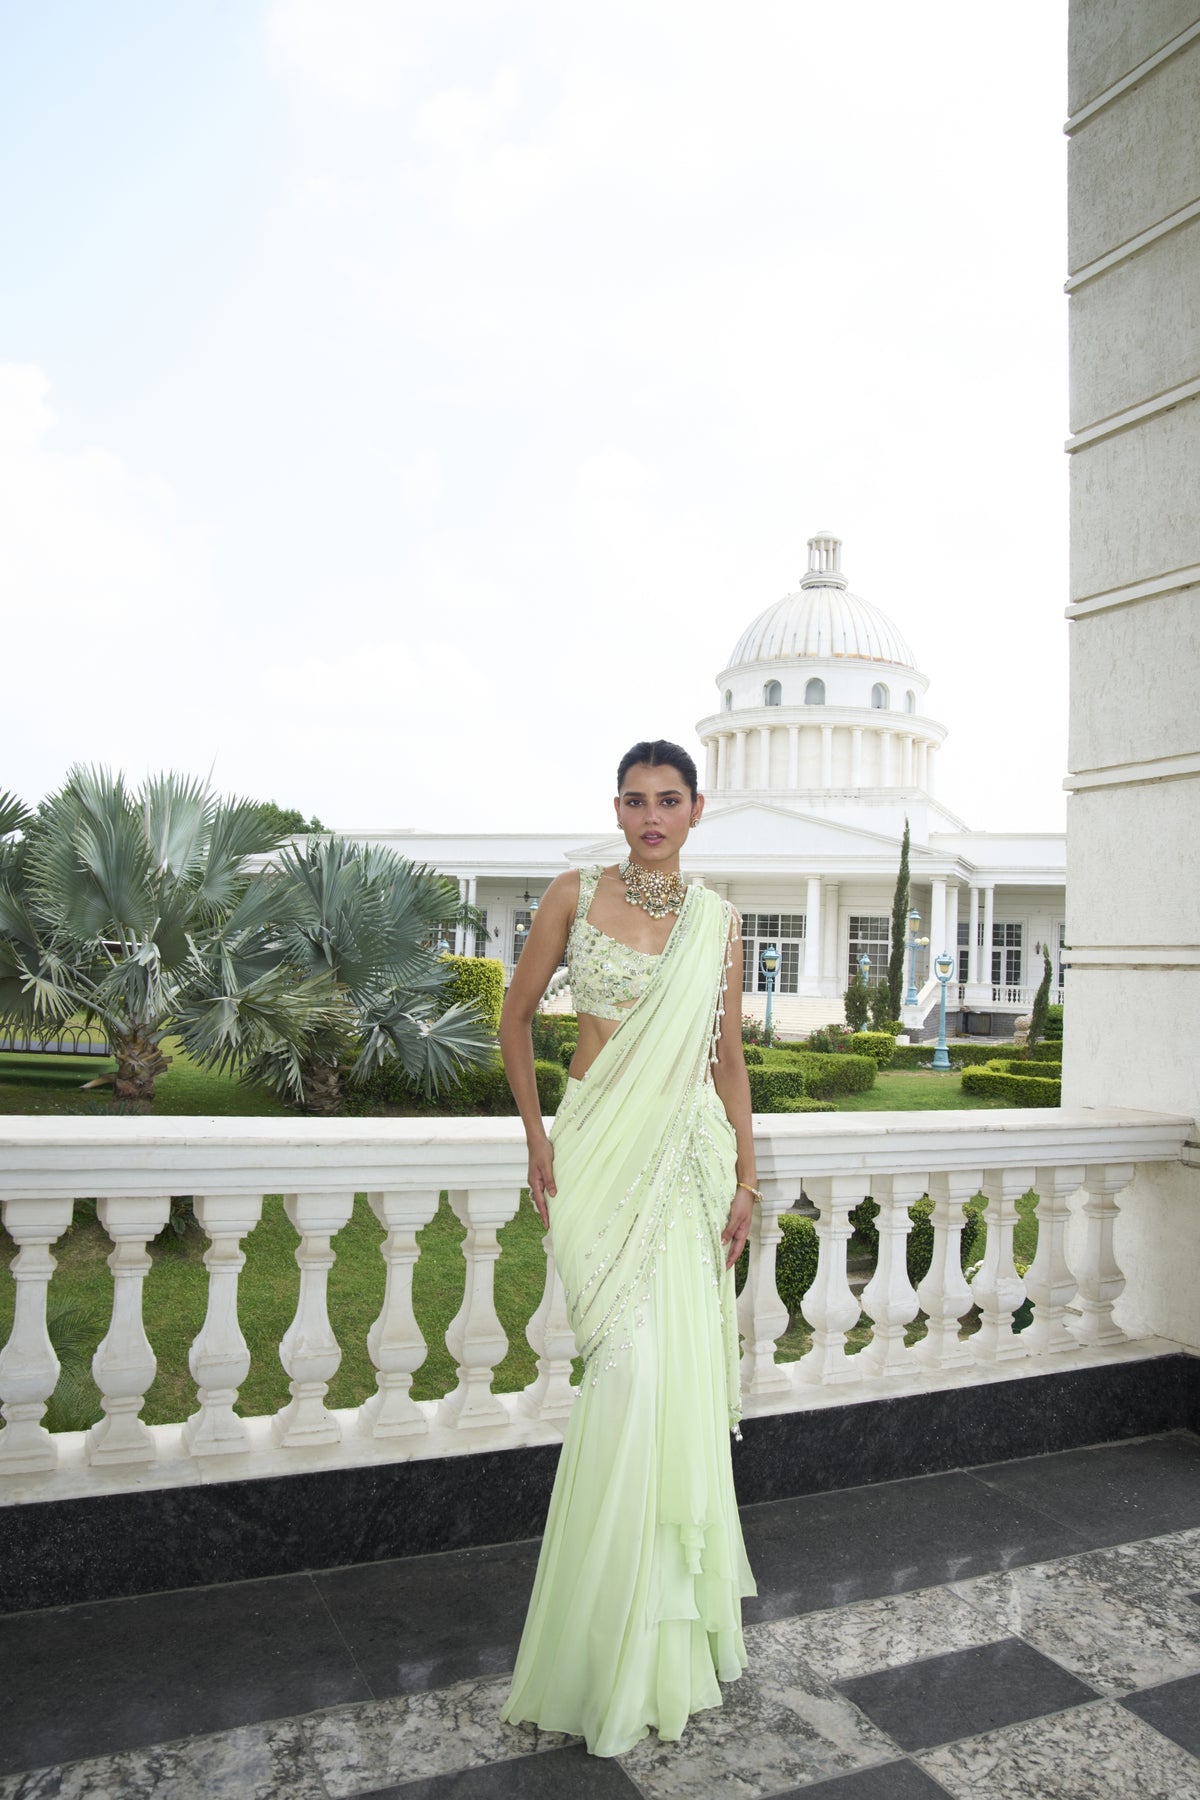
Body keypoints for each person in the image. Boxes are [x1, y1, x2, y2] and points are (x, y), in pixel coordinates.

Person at [498, 738, 759, 1757]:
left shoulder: (719, 924)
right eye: (638, 800)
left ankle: (655, 1646)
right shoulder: (573, 893)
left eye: (671, 800)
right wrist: (535, 1136)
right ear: (617, 809)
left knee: (669, 1384)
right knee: (623, 1378)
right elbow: (516, 1020)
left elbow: (728, 1062)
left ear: (697, 810)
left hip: (688, 1164)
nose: (653, 816)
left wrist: (745, 1176)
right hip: (597, 1154)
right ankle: (599, 1642)